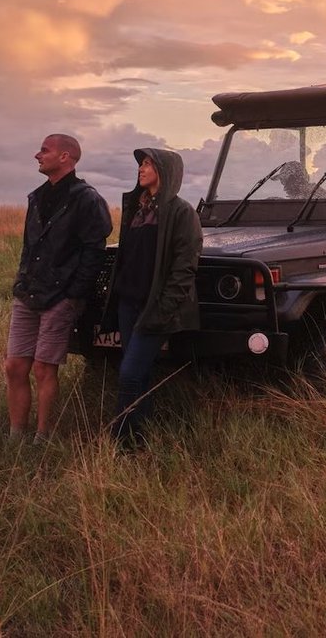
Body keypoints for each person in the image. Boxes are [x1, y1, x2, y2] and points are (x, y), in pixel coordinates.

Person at [5, 134, 112, 444]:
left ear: (66, 157)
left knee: (43, 368)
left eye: (45, 150)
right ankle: (16, 436)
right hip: (28, 292)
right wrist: (21, 280)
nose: (37, 155)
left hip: (59, 297)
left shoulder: (86, 199)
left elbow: (95, 250)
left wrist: (72, 295)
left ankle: (42, 436)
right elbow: (29, 247)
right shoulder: (36, 197)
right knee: (14, 365)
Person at [103, 148, 202, 448]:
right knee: (140, 373)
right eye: (141, 163)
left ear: (165, 169)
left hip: (155, 307)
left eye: (148, 163)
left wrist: (164, 308)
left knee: (129, 374)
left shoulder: (182, 212)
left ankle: (118, 443)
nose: (141, 168)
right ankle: (139, 440)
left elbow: (185, 267)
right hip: (128, 303)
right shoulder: (136, 208)